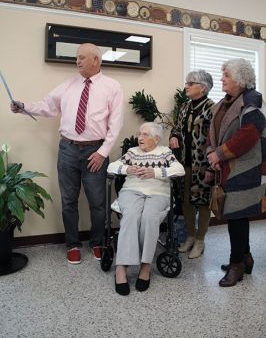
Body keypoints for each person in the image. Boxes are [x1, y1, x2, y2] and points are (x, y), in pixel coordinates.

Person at [11, 43, 124, 264]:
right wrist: (24, 106)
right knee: (68, 200)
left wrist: (102, 153)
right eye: (77, 57)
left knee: (98, 202)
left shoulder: (112, 87)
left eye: (82, 57)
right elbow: (47, 106)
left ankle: (97, 242)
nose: (77, 61)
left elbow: (116, 123)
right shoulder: (69, 85)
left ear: (96, 60)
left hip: (96, 151)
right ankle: (72, 244)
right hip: (68, 150)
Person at [207, 58, 266, 287]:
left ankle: (236, 265)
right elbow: (214, 132)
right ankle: (246, 258)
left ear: (241, 80)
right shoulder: (225, 102)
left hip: (246, 167)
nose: (221, 78)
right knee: (237, 215)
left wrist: (219, 155)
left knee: (236, 215)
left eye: (226, 75)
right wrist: (212, 152)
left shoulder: (253, 100)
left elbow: (248, 135)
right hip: (229, 165)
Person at [107, 122, 185, 295]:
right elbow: (111, 167)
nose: (140, 137)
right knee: (131, 216)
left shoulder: (164, 152)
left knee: (149, 217)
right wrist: (128, 169)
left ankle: (145, 266)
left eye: (145, 135)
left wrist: (155, 173)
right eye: (139, 133)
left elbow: (179, 170)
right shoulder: (132, 152)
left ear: (156, 139)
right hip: (131, 191)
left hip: (158, 193)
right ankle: (121, 267)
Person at [169, 70, 214, 258]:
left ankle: (200, 240)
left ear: (202, 88)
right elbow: (177, 128)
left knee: (203, 202)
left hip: (204, 164)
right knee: (186, 200)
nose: (186, 86)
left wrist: (212, 166)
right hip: (184, 162)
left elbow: (216, 138)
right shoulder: (185, 106)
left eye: (190, 83)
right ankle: (190, 236)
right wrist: (173, 136)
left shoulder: (213, 108)